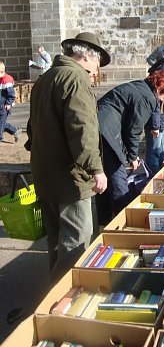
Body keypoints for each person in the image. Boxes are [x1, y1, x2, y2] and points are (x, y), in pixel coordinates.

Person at [25, 32, 110, 283]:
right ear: (86, 56)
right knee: (76, 245)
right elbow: (82, 129)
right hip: (69, 178)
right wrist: (96, 169)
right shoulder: (75, 78)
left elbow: (32, 128)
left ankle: (51, 298)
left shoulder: (46, 78)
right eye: (97, 64)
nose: (96, 72)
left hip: (45, 172)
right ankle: (62, 305)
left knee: (55, 241)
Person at [96, 70, 164, 226]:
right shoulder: (147, 98)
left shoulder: (140, 87)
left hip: (101, 128)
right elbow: (133, 130)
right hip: (108, 132)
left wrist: (130, 154)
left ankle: (104, 223)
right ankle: (126, 222)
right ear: (161, 89)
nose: (163, 100)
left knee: (105, 178)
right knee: (117, 179)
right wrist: (132, 157)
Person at [0, 61, 21, 143]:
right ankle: (15, 131)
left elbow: (11, 94)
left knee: (1, 122)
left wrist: (8, 103)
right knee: (2, 123)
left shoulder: (7, 81)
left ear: (2, 72)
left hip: (4, 105)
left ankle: (0, 136)